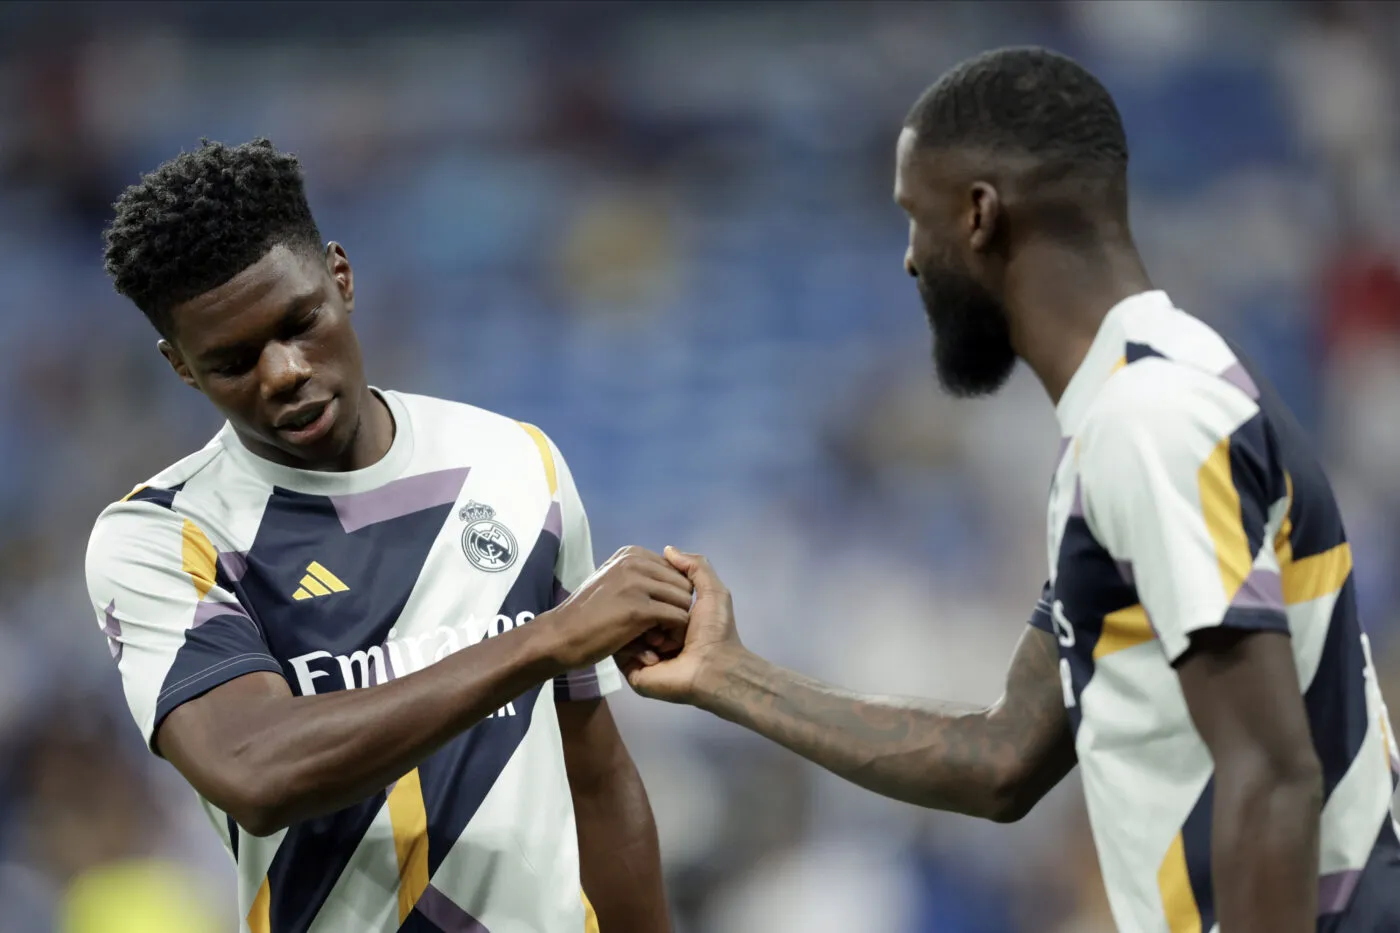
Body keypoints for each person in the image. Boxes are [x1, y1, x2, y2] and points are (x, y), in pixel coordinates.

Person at [625, 47, 1400, 933]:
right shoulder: (1134, 412)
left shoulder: (1152, 417)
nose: (910, 260)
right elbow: (1004, 756)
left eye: (915, 218)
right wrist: (729, 675)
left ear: (979, 214)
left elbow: (1273, 774)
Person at [87, 139, 683, 933]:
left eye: (300, 322)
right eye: (232, 361)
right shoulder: (166, 536)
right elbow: (255, 769)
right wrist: (543, 641)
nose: (283, 372)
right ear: (182, 368)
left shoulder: (516, 462)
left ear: (341, 276)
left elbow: (596, 777)